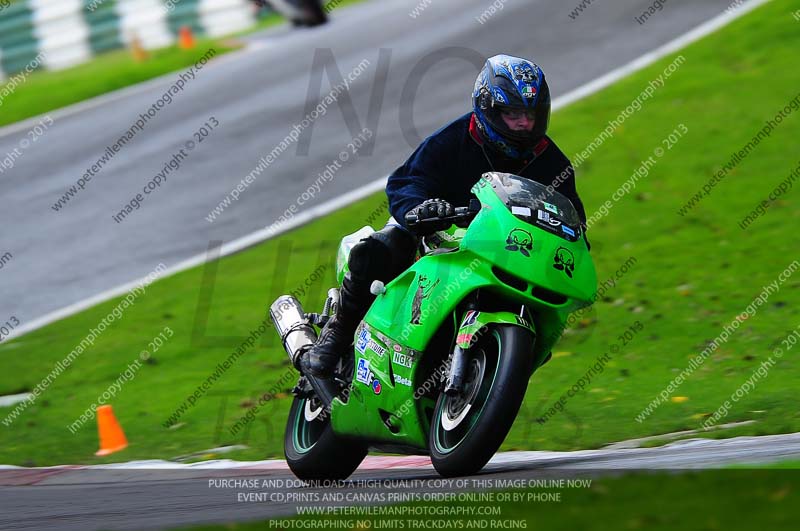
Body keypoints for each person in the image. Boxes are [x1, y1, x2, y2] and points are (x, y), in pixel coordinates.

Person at [302, 54, 588, 378]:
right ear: (489, 109)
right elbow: (407, 180)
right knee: (383, 246)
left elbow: (572, 220)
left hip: (504, 247)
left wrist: (573, 247)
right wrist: (419, 209)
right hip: (439, 230)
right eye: (513, 115)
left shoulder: (551, 162)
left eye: (531, 115)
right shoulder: (453, 139)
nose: (524, 124)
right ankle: (337, 336)